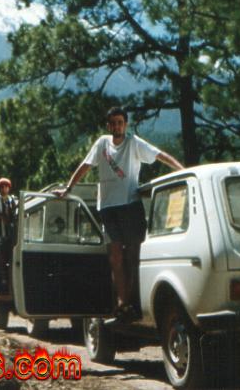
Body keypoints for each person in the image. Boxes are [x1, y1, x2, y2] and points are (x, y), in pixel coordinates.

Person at [54, 106, 183, 322]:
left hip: (130, 205)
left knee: (133, 256)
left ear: (126, 124)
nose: (117, 126)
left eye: (120, 122)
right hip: (107, 207)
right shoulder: (102, 143)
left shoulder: (133, 142)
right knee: (115, 257)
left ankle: (135, 302)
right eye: (113, 123)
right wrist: (68, 188)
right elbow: (85, 165)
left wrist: (182, 170)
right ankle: (123, 303)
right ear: (108, 125)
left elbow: (160, 155)